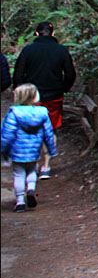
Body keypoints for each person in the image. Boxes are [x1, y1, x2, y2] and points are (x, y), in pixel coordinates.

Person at [12, 21, 75, 178]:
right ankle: (46, 167)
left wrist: (20, 91)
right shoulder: (62, 51)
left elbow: (18, 74)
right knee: (51, 129)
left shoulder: (28, 51)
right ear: (52, 34)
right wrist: (63, 88)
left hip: (32, 97)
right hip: (54, 96)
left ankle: (32, 164)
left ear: (36, 34)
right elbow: (70, 74)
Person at [1, 83, 58, 211]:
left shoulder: (14, 113)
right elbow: (49, 133)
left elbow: (7, 134)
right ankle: (31, 189)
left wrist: (3, 150)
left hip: (17, 151)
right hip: (34, 150)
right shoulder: (42, 113)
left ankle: (20, 201)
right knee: (32, 171)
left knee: (19, 174)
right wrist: (51, 149)